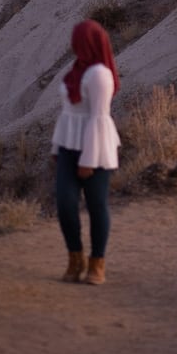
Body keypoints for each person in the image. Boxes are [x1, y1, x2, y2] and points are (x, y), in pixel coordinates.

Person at [51, 19, 121, 286]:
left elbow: (98, 117)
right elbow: (68, 113)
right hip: (69, 145)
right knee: (65, 203)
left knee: (96, 206)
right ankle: (75, 258)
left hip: (95, 149)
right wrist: (57, 146)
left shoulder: (99, 75)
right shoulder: (75, 71)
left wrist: (88, 160)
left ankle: (97, 264)